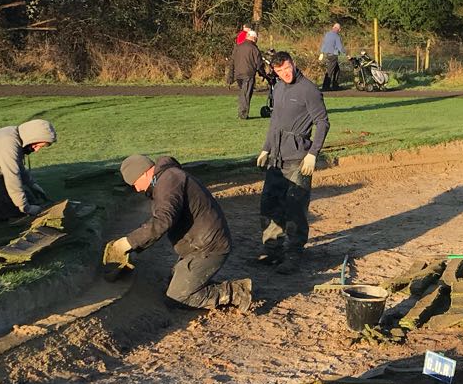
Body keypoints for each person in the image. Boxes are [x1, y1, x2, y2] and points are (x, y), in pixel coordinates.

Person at [103, 155, 252, 309]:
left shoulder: (169, 181)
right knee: (174, 284)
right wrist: (134, 246)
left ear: (143, 173)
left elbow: (163, 220)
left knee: (177, 297)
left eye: (135, 183)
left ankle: (236, 291)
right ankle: (202, 286)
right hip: (199, 245)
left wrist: (129, 242)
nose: (137, 189)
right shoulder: (166, 179)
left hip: (209, 247)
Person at [255, 51, 328, 270]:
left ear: (293, 64)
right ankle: (272, 250)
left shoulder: (309, 90)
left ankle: (294, 253)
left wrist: (313, 153)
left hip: (298, 158)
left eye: (287, 67)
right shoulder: (278, 88)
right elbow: (275, 122)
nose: (285, 73)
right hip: (276, 158)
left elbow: (322, 123)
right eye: (280, 70)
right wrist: (266, 149)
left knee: (295, 207)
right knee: (270, 203)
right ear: (274, 71)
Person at [0, 118, 57, 221]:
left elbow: (19, 167)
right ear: (31, 137)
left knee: (28, 198)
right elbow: (12, 176)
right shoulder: (9, 144)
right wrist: (25, 208)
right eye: (36, 145)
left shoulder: (17, 134)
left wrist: (32, 185)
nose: (36, 150)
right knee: (12, 209)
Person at [229, 28, 268, 121]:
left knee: (243, 93)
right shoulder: (254, 49)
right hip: (248, 74)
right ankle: (243, 114)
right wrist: (264, 74)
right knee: (246, 94)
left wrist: (230, 76)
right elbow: (259, 64)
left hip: (238, 74)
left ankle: (242, 113)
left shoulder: (238, 47)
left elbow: (232, 62)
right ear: (254, 38)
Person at [318, 21, 345, 91]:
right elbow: (340, 47)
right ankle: (326, 87)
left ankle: (335, 85)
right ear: (339, 29)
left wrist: (321, 53)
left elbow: (324, 44)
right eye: (339, 29)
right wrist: (346, 54)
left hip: (327, 55)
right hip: (333, 55)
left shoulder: (327, 34)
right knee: (330, 71)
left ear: (333, 27)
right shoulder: (337, 36)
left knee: (337, 70)